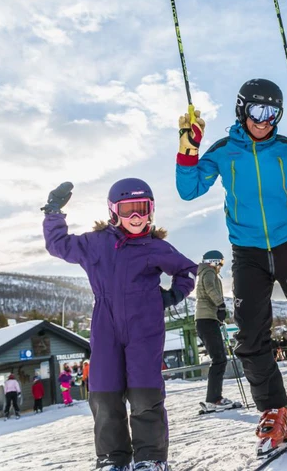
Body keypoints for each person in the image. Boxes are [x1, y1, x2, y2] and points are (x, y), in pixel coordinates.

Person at [175, 78, 287, 448]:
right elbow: (188, 188)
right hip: (247, 251)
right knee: (250, 334)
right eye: (257, 111)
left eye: (273, 113)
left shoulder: (286, 148)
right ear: (242, 110)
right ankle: (275, 410)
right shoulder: (225, 151)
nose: (265, 120)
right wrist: (188, 148)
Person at [43, 178, 197, 471]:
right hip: (105, 323)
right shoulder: (96, 243)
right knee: (104, 391)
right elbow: (59, 245)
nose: (136, 217)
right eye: (129, 210)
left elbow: (187, 270)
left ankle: (150, 458)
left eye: (142, 209)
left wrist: (172, 295)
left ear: (151, 211)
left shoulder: (155, 246)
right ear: (113, 211)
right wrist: (53, 213)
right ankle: (112, 458)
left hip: (144, 325)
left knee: (144, 392)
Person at [195, 249, 237, 413]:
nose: (220, 266)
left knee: (218, 358)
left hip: (206, 319)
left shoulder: (204, 272)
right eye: (220, 262)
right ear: (214, 261)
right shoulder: (208, 272)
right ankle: (214, 399)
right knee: (219, 359)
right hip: (207, 319)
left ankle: (214, 398)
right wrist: (220, 305)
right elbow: (211, 289)